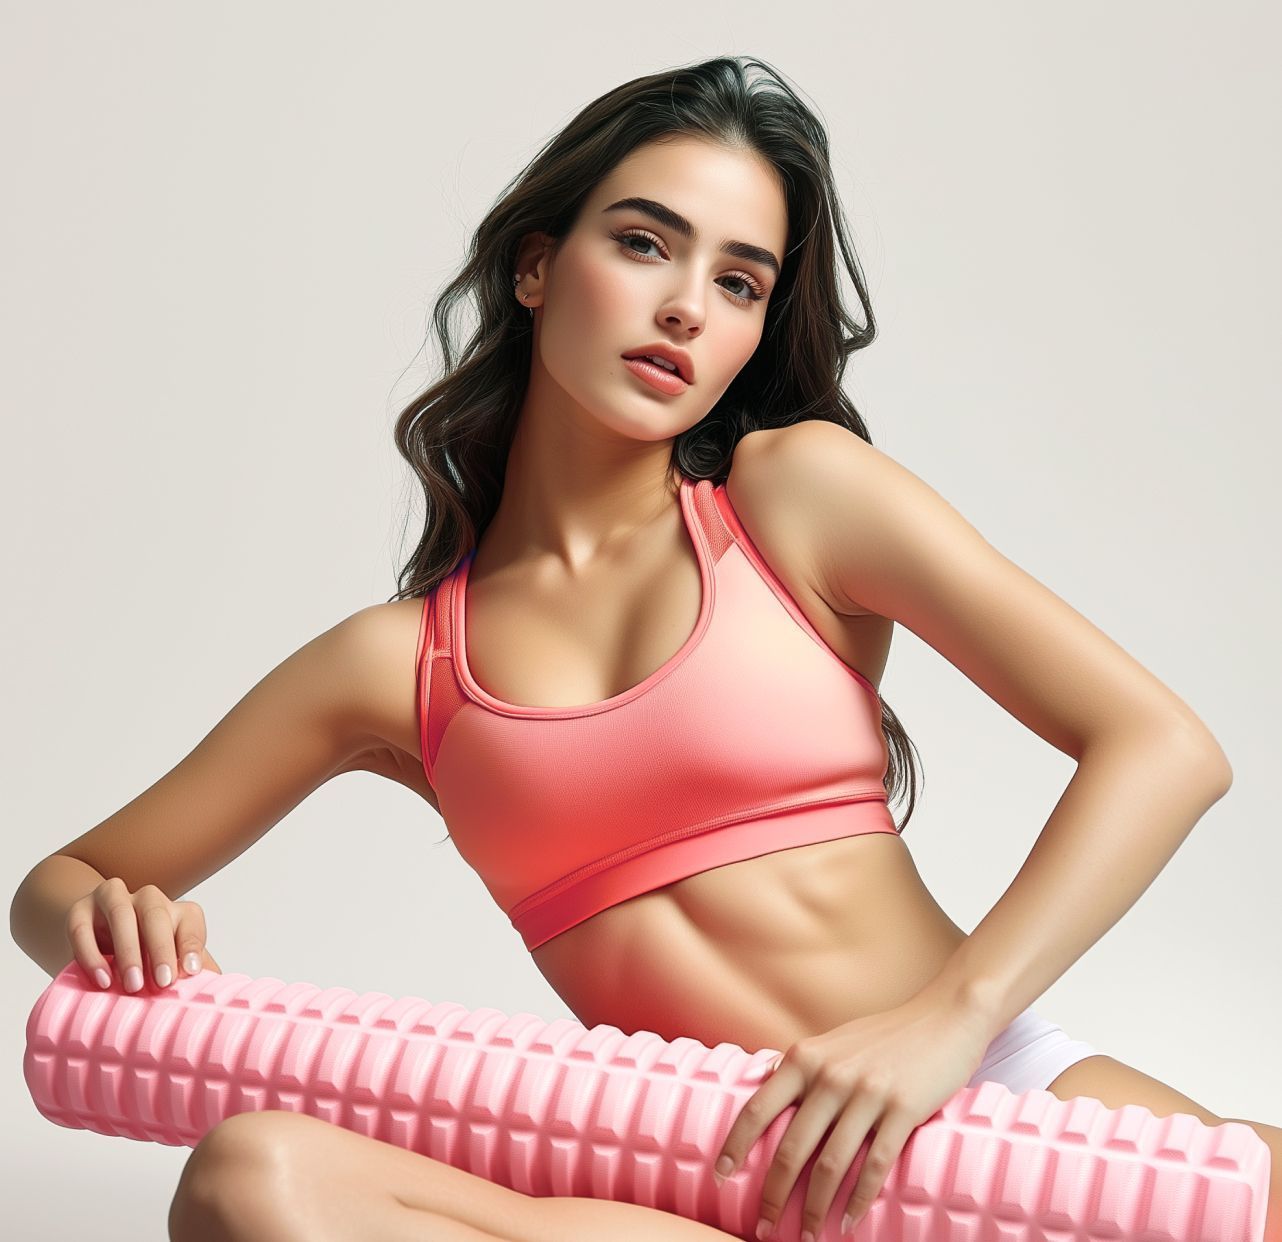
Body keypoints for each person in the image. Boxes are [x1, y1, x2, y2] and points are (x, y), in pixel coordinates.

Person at [12, 54, 1280, 1242]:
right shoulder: (394, 666)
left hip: (976, 1119)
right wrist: (105, 918)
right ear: (535, 267)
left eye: (737, 282)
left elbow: (1162, 748)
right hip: (686, 1181)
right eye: (642, 244)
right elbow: (55, 884)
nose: (684, 306)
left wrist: (948, 1023)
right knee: (253, 1175)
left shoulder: (796, 498)